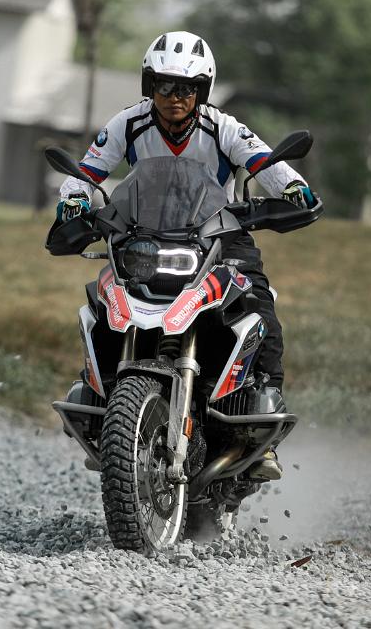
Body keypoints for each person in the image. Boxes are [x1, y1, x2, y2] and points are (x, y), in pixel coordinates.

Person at [57, 31, 316, 480]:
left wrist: (292, 187)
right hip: (144, 236)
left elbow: (266, 163)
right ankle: (99, 398)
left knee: (259, 305)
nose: (175, 97)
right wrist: (74, 199)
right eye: (164, 85)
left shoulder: (223, 127)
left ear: (202, 90)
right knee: (101, 300)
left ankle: (264, 421)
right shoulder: (127, 124)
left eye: (187, 88)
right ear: (149, 85)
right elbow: (85, 172)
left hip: (220, 235)